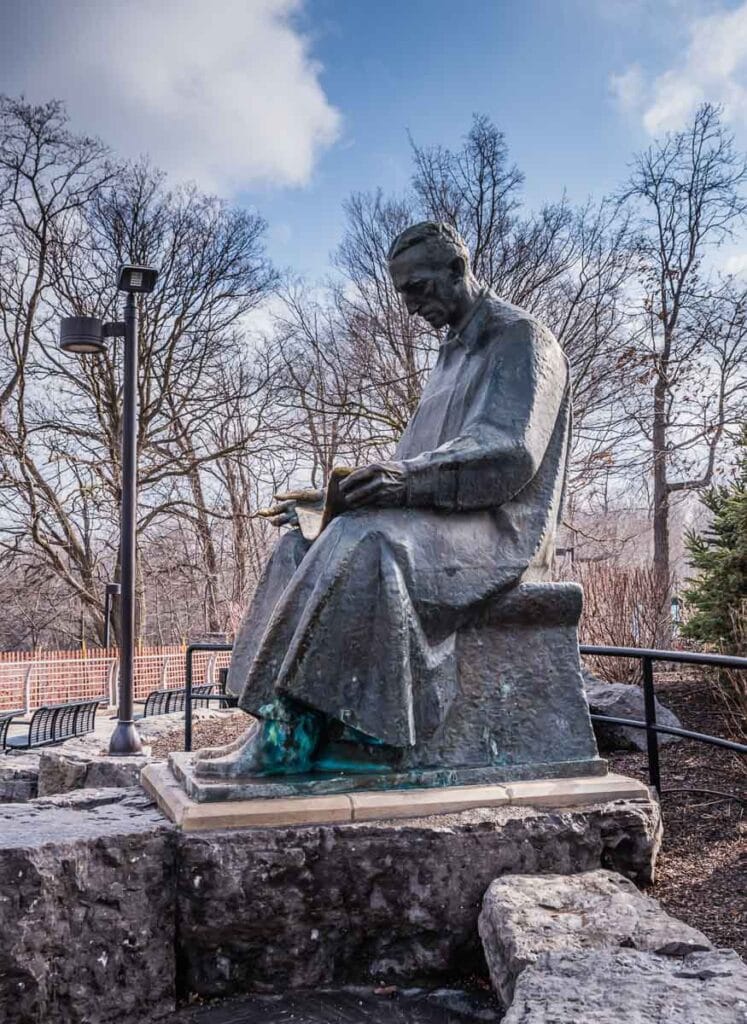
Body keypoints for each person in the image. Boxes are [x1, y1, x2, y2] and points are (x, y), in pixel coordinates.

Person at [196, 221, 571, 779]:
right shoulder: (448, 357)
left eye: (418, 288)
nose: (412, 305)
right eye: (402, 293)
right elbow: (415, 460)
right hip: (440, 519)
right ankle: (278, 723)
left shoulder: (521, 338)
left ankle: (349, 740)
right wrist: (331, 502)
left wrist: (402, 482)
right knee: (296, 546)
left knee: (367, 541)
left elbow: (508, 453)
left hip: (498, 530)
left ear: (457, 270)